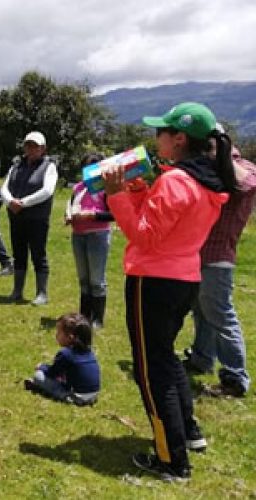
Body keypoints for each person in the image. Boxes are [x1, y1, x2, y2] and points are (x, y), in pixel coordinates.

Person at [104, 102, 235, 481]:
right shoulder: (204, 182)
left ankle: (171, 460)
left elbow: (144, 235)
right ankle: (188, 432)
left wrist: (115, 195)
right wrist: (139, 192)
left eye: (161, 131)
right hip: (184, 279)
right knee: (166, 358)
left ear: (179, 139)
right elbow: (161, 223)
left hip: (154, 281)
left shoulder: (176, 181)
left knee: (150, 370)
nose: (155, 136)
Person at [183, 145, 256, 398]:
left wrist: (220, 153)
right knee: (201, 312)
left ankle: (235, 379)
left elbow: (248, 186)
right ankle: (201, 359)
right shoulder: (208, 168)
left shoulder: (244, 169)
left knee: (221, 316)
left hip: (218, 257)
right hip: (198, 253)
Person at [2, 131, 58, 305]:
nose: (31, 149)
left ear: (43, 149)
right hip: (16, 217)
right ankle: (17, 291)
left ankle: (42, 293)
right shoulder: (16, 165)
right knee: (18, 254)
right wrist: (10, 201)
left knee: (38, 254)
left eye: (35, 146)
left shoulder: (49, 167)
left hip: (37, 218)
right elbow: (4, 187)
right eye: (28, 145)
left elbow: (47, 191)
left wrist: (23, 203)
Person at [64, 153, 113, 329]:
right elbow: (71, 206)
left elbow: (113, 214)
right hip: (78, 235)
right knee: (83, 279)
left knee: (96, 280)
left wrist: (93, 215)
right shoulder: (78, 187)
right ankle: (84, 317)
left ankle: (97, 319)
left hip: (97, 235)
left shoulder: (106, 188)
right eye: (86, 168)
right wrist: (68, 216)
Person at [23, 313, 100, 405]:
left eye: (59, 332)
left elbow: (52, 373)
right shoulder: (89, 352)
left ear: (70, 337)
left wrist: (42, 366)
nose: (56, 335)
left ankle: (65, 396)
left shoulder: (66, 354)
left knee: (38, 375)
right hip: (93, 395)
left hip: (77, 396)